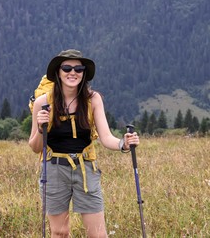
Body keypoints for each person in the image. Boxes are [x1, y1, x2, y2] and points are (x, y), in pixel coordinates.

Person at [29, 49, 140, 238]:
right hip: (54, 169)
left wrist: (123, 143)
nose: (73, 73)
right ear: (58, 71)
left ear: (84, 73)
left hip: (85, 169)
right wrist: (41, 128)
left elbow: (106, 137)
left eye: (78, 69)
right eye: (67, 68)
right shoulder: (42, 103)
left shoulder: (92, 99)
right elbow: (35, 146)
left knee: (97, 234)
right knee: (60, 232)